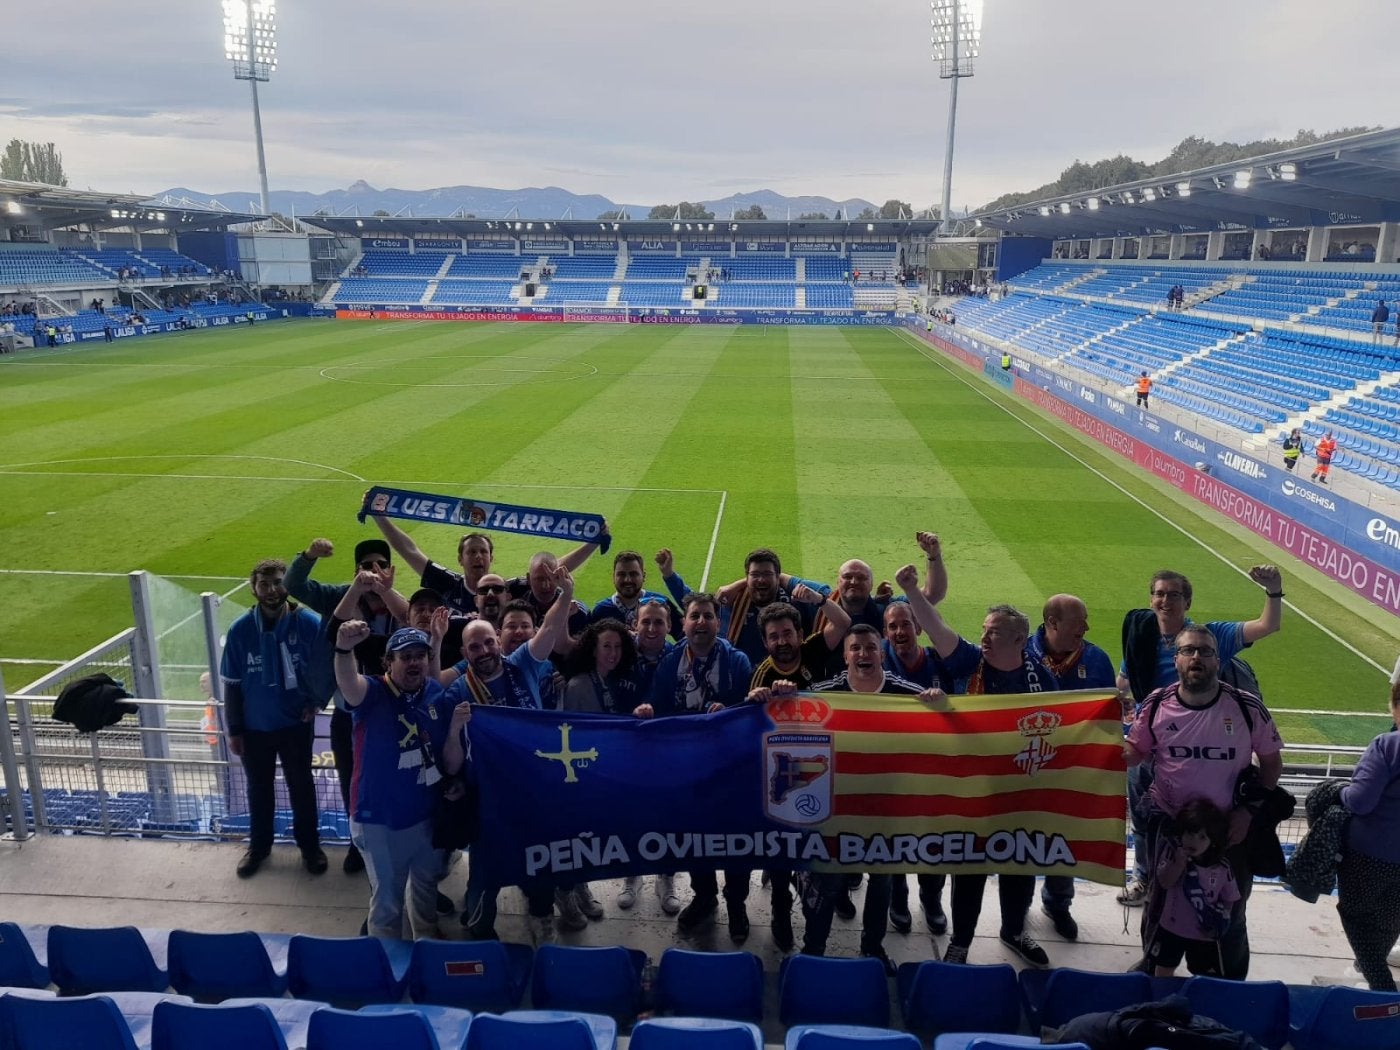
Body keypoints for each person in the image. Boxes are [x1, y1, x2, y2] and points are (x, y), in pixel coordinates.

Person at [902, 582, 1059, 967]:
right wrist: (911, 589)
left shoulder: (1042, 680)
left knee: (1019, 867)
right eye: (984, 629)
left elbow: (1063, 728)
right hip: (970, 789)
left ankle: (1014, 930)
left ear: (1020, 639)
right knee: (969, 868)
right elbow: (936, 628)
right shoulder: (968, 662)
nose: (985, 636)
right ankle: (962, 940)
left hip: (1019, 790)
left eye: (995, 632)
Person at [1124, 625, 1283, 979]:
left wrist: (1249, 811)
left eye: (1206, 652)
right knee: (1160, 900)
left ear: (1218, 659)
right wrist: (1092, 738)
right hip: (1169, 826)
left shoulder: (1245, 706)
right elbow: (1134, 752)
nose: (1197, 657)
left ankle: (1227, 978)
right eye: (1189, 650)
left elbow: (1271, 763)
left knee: (1230, 904)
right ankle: (1153, 965)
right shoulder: (1155, 705)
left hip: (1228, 830)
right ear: (1176, 658)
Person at [1117, 566, 1283, 904]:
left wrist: (1274, 590)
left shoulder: (1212, 636)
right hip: (1151, 743)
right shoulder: (1142, 640)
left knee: (1209, 826)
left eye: (1174, 594)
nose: (1166, 600)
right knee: (1146, 821)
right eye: (1160, 594)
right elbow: (1123, 687)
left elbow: (1268, 625)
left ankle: (1211, 887)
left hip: (1201, 749)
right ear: (1151, 599)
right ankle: (1146, 880)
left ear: (1188, 601)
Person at [797, 623, 944, 974]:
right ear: (845, 655)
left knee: (882, 882)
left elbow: (942, 730)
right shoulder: (823, 694)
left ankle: (872, 947)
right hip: (837, 807)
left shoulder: (909, 694)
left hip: (887, 806)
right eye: (856, 648)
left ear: (882, 652)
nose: (863, 654)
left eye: (870, 648)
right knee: (828, 880)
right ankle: (813, 947)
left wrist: (940, 706)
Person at [285, 537, 407, 876]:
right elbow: (292, 584)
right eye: (366, 566)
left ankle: (396, 841)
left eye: (380, 564)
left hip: (390, 715)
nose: (373, 571)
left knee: (392, 779)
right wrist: (309, 555)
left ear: (389, 568)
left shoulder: (396, 602)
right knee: (350, 780)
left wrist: (384, 591)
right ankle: (358, 845)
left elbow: (413, 624)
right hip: (347, 714)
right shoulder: (337, 596)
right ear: (356, 570)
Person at [640, 592, 754, 940]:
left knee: (735, 841)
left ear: (718, 622)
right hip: (687, 770)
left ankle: (737, 902)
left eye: (708, 616)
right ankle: (704, 897)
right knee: (694, 839)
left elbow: (752, 714)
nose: (701, 622)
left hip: (728, 770)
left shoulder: (737, 662)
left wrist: (731, 712)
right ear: (684, 623)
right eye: (694, 616)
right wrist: (647, 711)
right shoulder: (671, 663)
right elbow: (658, 707)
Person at [332, 622, 453, 940]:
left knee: (426, 884)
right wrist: (344, 649)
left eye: (419, 656)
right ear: (388, 662)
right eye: (405, 657)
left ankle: (426, 937)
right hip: (379, 821)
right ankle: (384, 959)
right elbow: (348, 684)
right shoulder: (372, 692)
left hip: (424, 815)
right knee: (387, 897)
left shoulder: (433, 691)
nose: (414, 662)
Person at [218, 558, 327, 879]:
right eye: (264, 584)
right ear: (253, 588)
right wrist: (234, 729)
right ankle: (259, 848)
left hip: (295, 725)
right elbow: (232, 686)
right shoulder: (240, 630)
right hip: (255, 729)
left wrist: (316, 701)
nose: (271, 590)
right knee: (258, 789)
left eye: (278, 582)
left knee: (302, 787)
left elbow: (326, 664)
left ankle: (310, 847)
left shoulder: (307, 622)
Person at [1025, 594, 1118, 941]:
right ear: (1053, 623)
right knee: (1020, 835)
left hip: (1073, 770)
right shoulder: (1020, 654)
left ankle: (1058, 903)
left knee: (1062, 836)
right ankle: (1015, 908)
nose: (1087, 627)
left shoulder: (1096, 659)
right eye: (1080, 621)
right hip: (1026, 766)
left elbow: (1108, 718)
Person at [1336, 661, 1400, 992]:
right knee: (1391, 918)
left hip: (1369, 856)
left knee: (1355, 916)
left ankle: (1382, 986)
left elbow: (1359, 801)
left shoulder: (1387, 746)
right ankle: (1370, 967)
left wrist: (1338, 791)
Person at [1145, 799, 1239, 977]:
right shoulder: (1172, 855)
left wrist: (1221, 921)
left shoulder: (1221, 868)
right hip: (1170, 929)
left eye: (1202, 837)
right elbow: (1165, 882)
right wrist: (1179, 864)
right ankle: (1161, 1000)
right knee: (1163, 970)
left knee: (1205, 975)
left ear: (1213, 841)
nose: (1193, 841)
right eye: (1189, 833)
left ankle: (1199, 1002)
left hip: (1203, 934)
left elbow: (1230, 898)